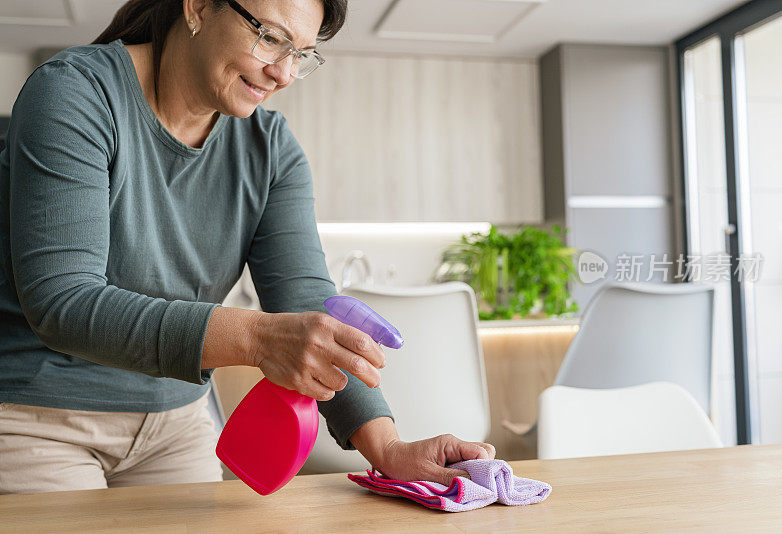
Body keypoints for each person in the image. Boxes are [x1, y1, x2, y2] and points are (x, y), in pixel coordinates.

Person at [0, 0, 495, 494]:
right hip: (40, 416)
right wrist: (257, 338)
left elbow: (304, 301)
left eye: (301, 53)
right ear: (197, 8)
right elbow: (62, 301)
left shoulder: (271, 149)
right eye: (272, 38)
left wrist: (387, 448)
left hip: (175, 425)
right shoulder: (75, 92)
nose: (282, 73)